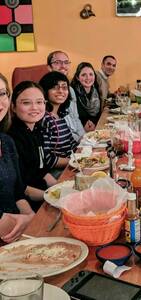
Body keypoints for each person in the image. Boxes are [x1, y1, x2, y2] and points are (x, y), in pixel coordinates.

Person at [8, 81, 57, 211]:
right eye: (26, 103)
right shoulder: (11, 138)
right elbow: (21, 188)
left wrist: (60, 188)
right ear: (13, 107)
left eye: (39, 102)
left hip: (43, 194)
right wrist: (55, 197)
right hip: (28, 204)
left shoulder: (36, 129)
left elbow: (42, 171)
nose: (35, 108)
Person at [0, 73, 35, 243]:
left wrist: (30, 217)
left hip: (18, 228)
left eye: (2, 93)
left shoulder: (6, 142)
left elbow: (18, 192)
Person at [39, 71, 78, 176]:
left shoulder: (61, 116)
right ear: (45, 91)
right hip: (57, 173)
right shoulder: (45, 119)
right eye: (55, 87)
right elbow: (48, 159)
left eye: (64, 87)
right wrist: (76, 162)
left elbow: (72, 144)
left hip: (71, 164)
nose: (61, 91)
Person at [47, 50, 87, 140]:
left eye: (66, 62)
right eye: (57, 62)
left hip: (77, 140)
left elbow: (75, 118)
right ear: (49, 67)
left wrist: (85, 139)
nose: (63, 66)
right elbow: (59, 130)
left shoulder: (70, 90)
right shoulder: (47, 91)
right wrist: (79, 140)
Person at [71, 62, 102, 128]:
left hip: (96, 125)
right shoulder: (72, 92)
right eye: (83, 75)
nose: (88, 78)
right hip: (80, 128)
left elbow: (97, 113)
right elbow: (73, 116)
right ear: (77, 77)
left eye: (91, 74)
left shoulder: (96, 89)